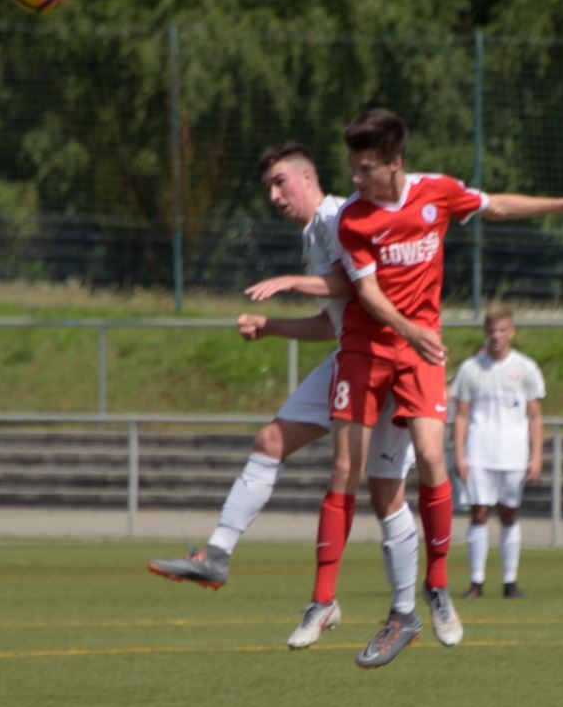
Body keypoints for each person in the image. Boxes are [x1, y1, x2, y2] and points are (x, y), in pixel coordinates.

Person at [329, 107, 563, 668]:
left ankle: (436, 589)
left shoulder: (436, 193)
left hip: (419, 353)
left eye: (366, 167)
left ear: (395, 162)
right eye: (353, 166)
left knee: (431, 457)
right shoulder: (350, 217)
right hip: (372, 351)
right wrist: (405, 327)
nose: (356, 176)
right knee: (375, 487)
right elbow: (361, 292)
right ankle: (385, 607)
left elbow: (499, 206)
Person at [147, 142, 417, 652]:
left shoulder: (339, 217)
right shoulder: (313, 235)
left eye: (279, 183)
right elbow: (332, 320)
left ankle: (405, 611)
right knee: (270, 441)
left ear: (307, 178)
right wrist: (272, 327)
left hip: (389, 361)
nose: (273, 196)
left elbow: (358, 285)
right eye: (268, 188)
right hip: (348, 357)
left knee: (386, 495)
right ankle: (217, 556)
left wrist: (294, 282)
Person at [451, 306, 545, 599]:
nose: (497, 336)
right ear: (485, 332)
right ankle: (476, 582)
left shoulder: (525, 368)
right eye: (492, 330)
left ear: (511, 332)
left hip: (513, 452)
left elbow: (535, 416)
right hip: (479, 450)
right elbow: (461, 415)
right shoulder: (470, 369)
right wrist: (459, 454)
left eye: (502, 330)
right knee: (479, 512)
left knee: (508, 512)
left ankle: (509, 581)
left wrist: (536, 455)